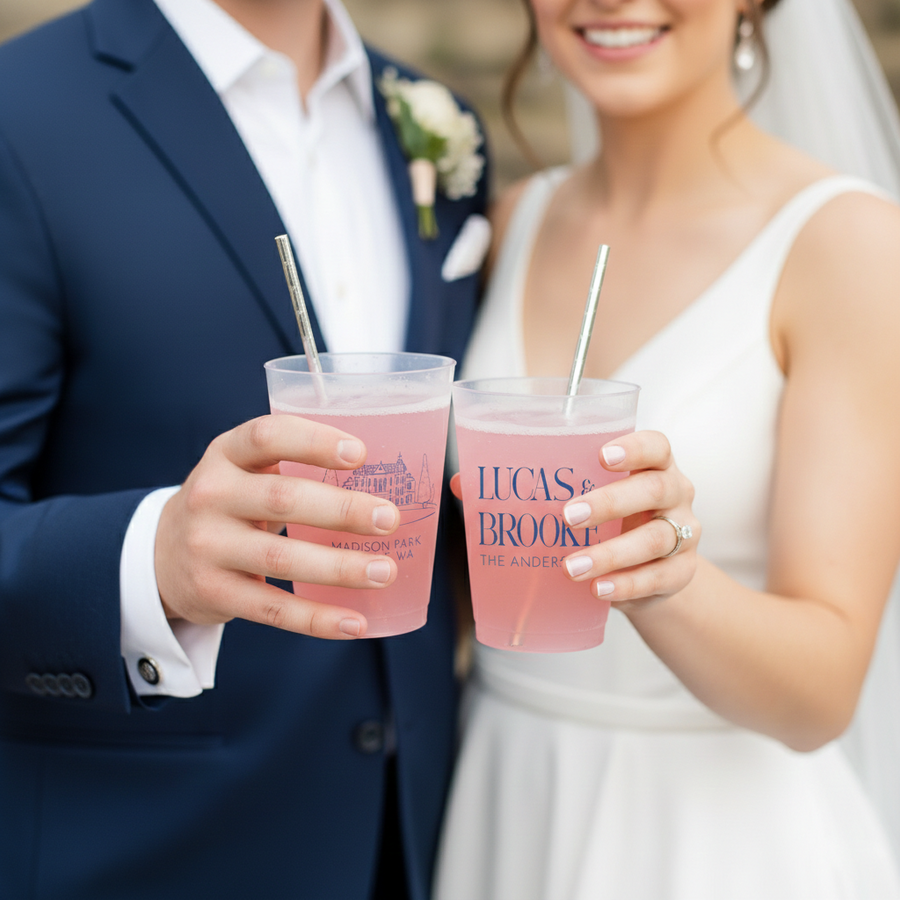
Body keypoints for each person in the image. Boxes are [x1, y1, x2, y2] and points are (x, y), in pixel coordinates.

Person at [0, 0, 488, 897]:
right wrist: (151, 563)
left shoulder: (434, 122)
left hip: (417, 844)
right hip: (143, 857)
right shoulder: (20, 111)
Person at [434, 0, 900, 897]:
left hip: (718, 841)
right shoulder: (515, 221)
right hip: (501, 798)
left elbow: (825, 695)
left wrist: (666, 575)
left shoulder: (851, 246)